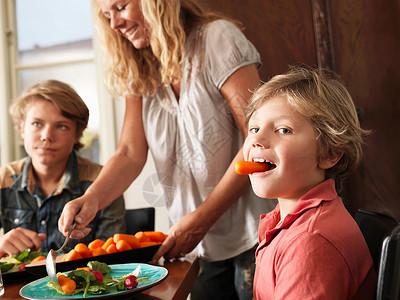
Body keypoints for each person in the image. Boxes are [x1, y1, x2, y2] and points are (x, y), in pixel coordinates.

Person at [58, 0, 276, 298]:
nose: (115, 24)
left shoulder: (217, 39)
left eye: (120, 7)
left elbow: (257, 138)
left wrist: (200, 221)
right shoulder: (139, 65)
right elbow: (129, 153)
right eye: (107, 16)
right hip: (194, 248)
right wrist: (92, 198)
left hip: (256, 233)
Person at [242, 66, 374, 299]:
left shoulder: (309, 242)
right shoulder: (288, 221)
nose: (258, 140)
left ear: (329, 153)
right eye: (254, 128)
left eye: (283, 130)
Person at [0, 80, 126, 256]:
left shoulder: (104, 182)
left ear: (77, 134)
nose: (47, 136)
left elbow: (112, 258)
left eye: (61, 126)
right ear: (21, 128)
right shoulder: (3, 180)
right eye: (37, 124)